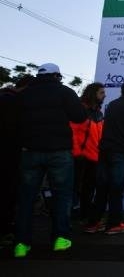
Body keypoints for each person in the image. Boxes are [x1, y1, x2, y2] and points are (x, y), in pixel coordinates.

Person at [14, 63, 87, 258]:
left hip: (30, 150)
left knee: (26, 198)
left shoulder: (24, 95)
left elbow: (15, 121)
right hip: (59, 151)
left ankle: (21, 243)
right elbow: (79, 117)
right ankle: (60, 239)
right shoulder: (64, 92)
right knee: (62, 196)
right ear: (56, 76)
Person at [84, 80, 124, 235]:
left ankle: (93, 223)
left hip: (104, 151)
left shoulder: (111, 106)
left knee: (101, 189)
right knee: (116, 189)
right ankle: (114, 224)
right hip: (120, 151)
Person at [0, 75, 33, 246]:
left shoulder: (6, 97)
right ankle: (5, 230)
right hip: (9, 156)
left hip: (10, 154)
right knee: (8, 192)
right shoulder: (13, 102)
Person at [70, 82, 105, 222]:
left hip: (94, 157)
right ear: (93, 93)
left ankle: (84, 215)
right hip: (80, 157)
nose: (104, 95)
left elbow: (99, 136)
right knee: (75, 187)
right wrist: (77, 153)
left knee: (89, 188)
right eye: (101, 92)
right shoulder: (80, 110)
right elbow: (73, 133)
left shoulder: (99, 113)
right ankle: (70, 216)